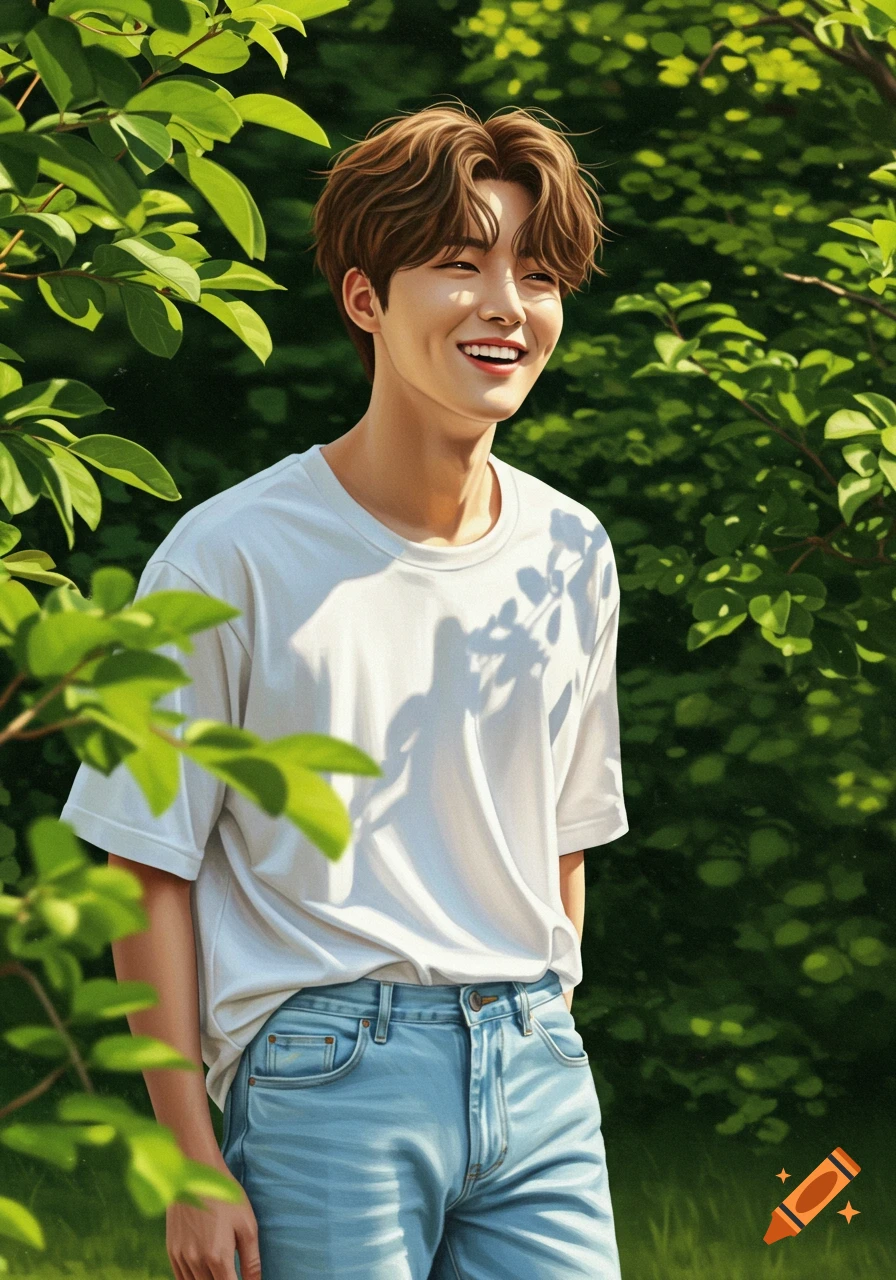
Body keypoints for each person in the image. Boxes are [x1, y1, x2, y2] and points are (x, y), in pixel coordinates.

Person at [60, 102, 629, 1280]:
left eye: (535, 274)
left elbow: (563, 835)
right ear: (365, 297)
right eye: (460, 264)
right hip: (324, 1074)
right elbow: (143, 867)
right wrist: (187, 1161)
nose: (504, 306)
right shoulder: (226, 557)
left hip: (535, 1065)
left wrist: (548, 1017)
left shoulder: (569, 551)